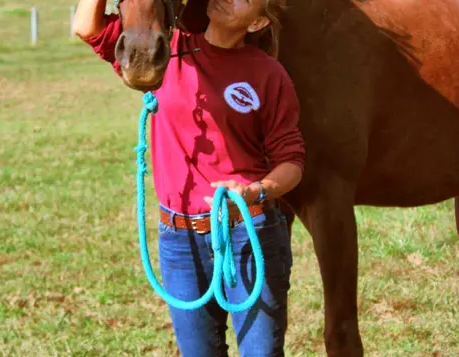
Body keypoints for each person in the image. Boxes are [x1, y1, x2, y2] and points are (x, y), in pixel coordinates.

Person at [73, 0, 305, 355]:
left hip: (249, 233)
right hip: (179, 242)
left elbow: (291, 163)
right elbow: (86, 28)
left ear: (258, 22)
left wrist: (255, 191)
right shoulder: (167, 51)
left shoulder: (268, 74)